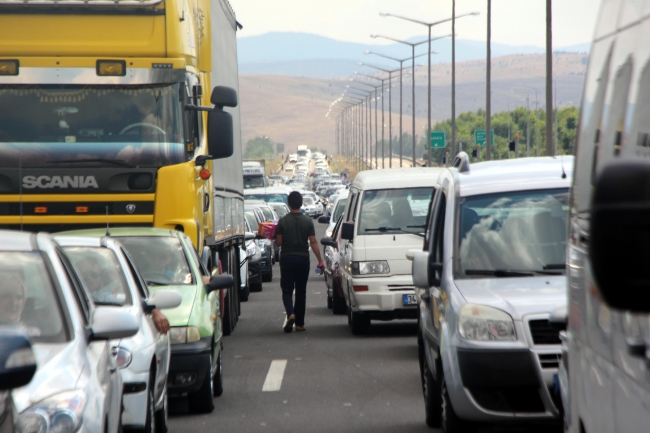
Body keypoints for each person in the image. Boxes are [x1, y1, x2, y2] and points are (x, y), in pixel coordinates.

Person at [274, 191, 324, 333]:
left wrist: (273, 236)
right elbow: (313, 242)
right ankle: (300, 324)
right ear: (301, 203)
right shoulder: (308, 221)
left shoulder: (282, 221)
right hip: (303, 259)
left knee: (287, 290)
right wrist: (320, 260)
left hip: (287, 258)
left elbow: (278, 243)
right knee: (301, 291)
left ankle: (291, 314)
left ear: (288, 204)